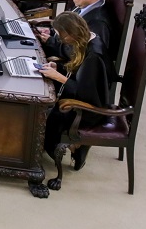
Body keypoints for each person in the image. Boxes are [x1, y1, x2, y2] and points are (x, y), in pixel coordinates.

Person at [38, 11, 110, 169]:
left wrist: (58, 77)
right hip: (87, 96)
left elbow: (86, 93)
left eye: (62, 37)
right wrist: (60, 67)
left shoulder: (94, 56)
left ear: (71, 33)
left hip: (89, 110)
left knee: (52, 113)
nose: (62, 41)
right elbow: (81, 74)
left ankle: (70, 147)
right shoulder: (88, 39)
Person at [37, 0, 117, 80]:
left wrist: (52, 42)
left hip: (77, 76)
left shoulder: (99, 23)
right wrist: (51, 31)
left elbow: (83, 55)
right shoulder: (83, 5)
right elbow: (69, 29)